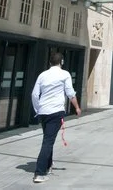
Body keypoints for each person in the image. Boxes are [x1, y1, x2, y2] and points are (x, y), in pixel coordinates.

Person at [31, 52, 81, 184]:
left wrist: (38, 109)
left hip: (43, 111)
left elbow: (35, 94)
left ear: (49, 62)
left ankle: (48, 166)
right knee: (48, 141)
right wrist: (77, 107)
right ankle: (39, 173)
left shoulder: (42, 75)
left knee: (48, 138)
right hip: (56, 111)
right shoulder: (65, 74)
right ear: (62, 62)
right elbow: (70, 93)